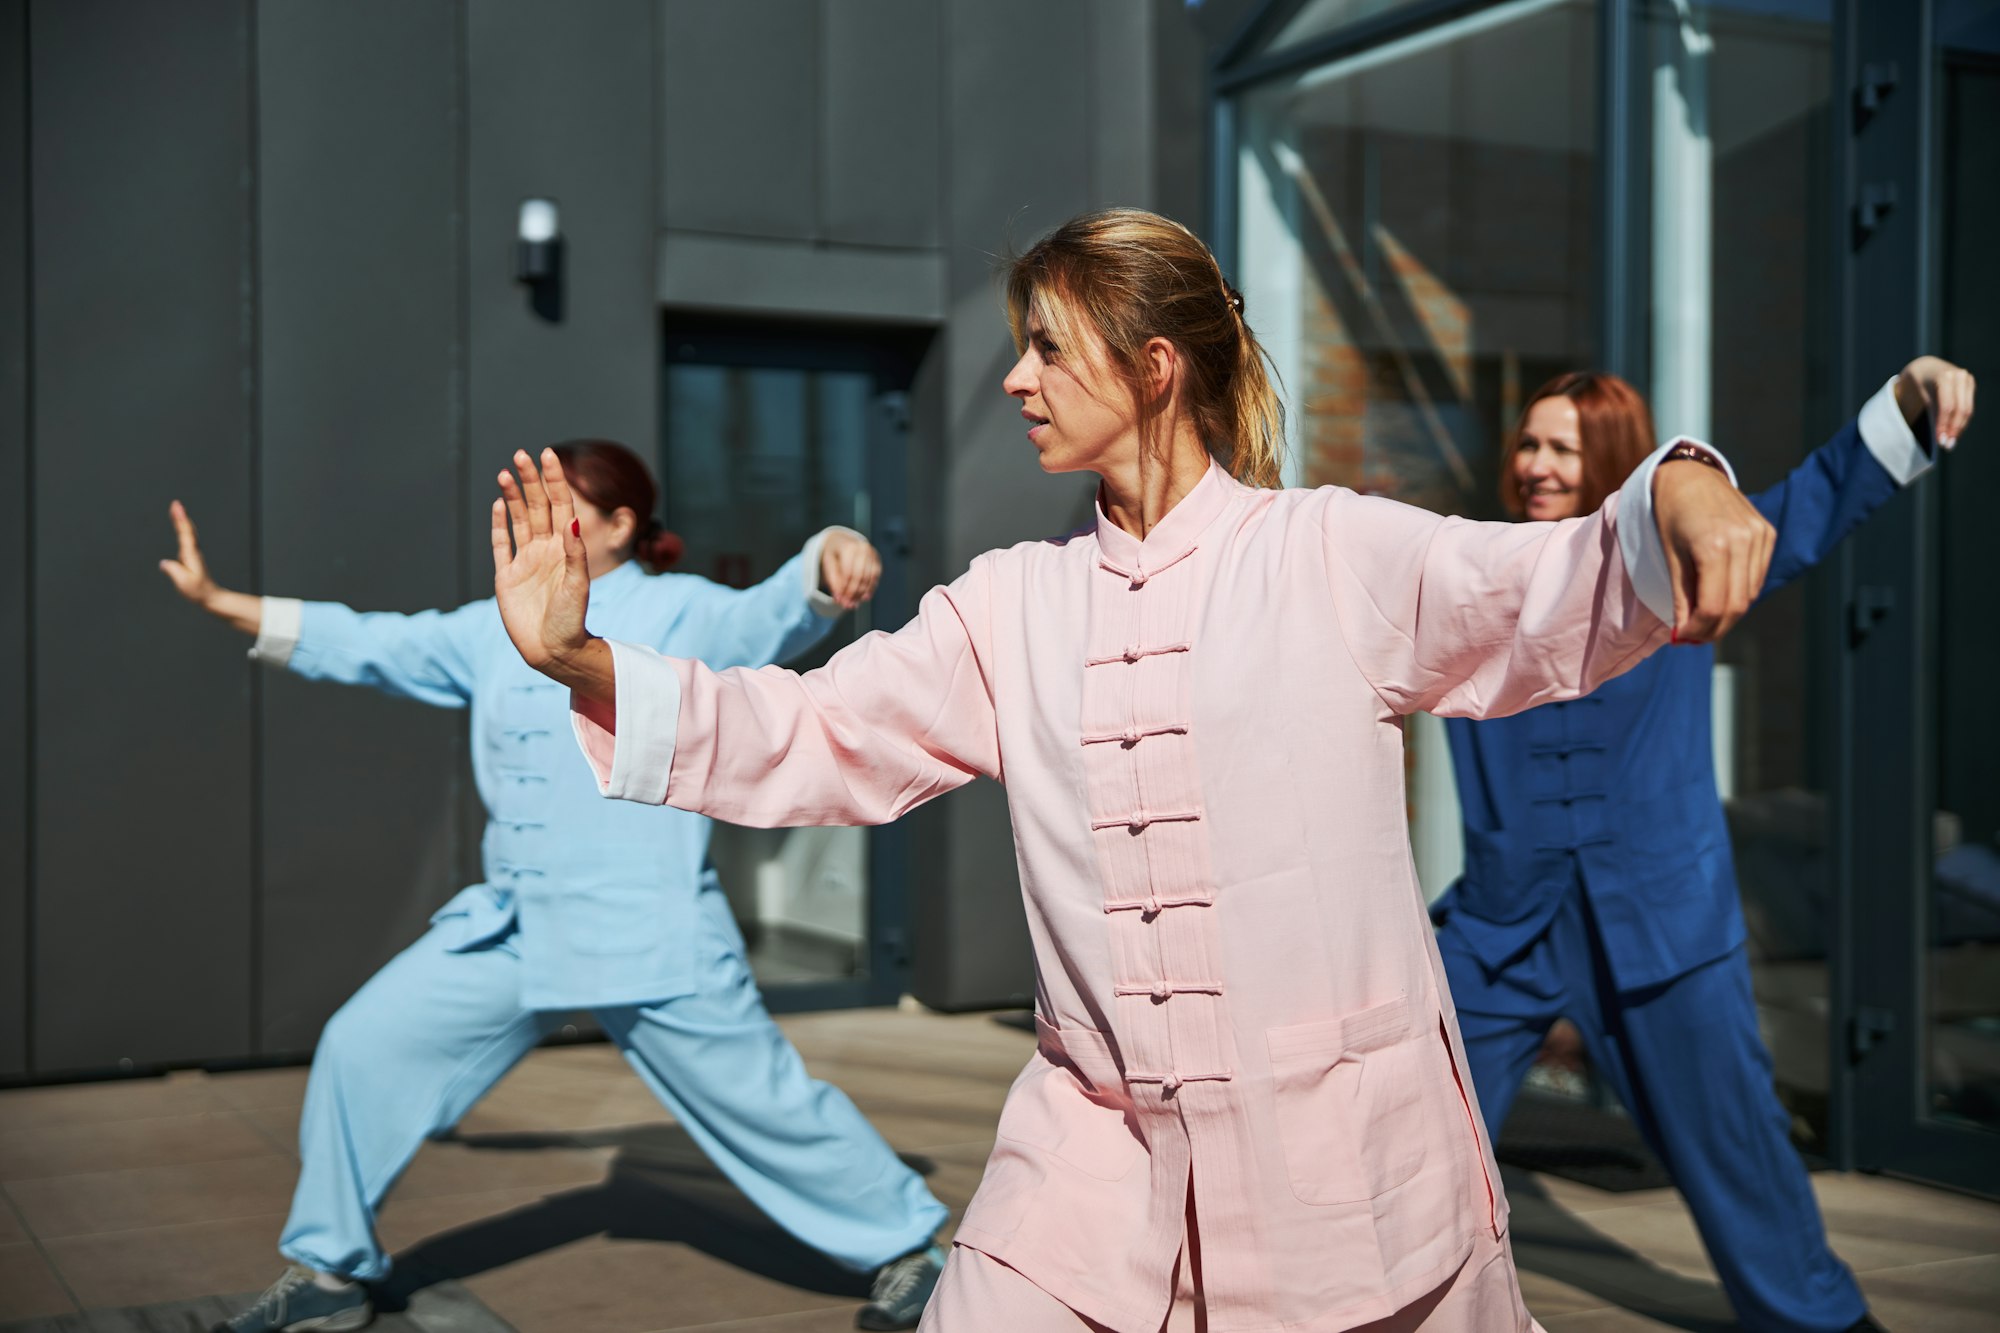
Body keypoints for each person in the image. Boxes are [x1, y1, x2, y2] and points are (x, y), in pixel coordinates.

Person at [489, 209, 1777, 1332]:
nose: (1013, 379)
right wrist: (583, 660)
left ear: (1152, 367)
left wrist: (1683, 486)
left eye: (1046, 346)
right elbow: (812, 726)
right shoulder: (1011, 603)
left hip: (1340, 1151)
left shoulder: (1329, 554)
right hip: (1088, 1155)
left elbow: (1542, 580)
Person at [160, 439, 951, 1333]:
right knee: (363, 1045)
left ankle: (913, 1251)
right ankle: (330, 1269)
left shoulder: (679, 609)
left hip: (648, 931)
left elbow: (774, 612)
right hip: (512, 925)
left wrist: (829, 549)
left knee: (764, 1103)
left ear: (622, 525)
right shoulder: (492, 618)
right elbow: (373, 640)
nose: (546, 518)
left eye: (567, 503)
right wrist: (222, 601)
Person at [1433, 360, 1976, 1333]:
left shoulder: (1673, 567)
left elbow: (1805, 507)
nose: (1535, 464)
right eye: (1526, 443)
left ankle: (1821, 1323)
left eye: (1561, 446)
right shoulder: (1468, 580)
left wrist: (1903, 406)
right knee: (1402, 1134)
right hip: (1497, 927)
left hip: (1660, 929)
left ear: (1607, 459)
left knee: (1737, 1157)